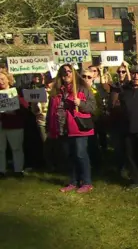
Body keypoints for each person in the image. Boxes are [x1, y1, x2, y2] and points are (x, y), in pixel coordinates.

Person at [47, 64, 96, 193]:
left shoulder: (83, 88)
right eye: (64, 72)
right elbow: (51, 111)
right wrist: (50, 126)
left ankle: (87, 182)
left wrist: (80, 103)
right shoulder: (57, 91)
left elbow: (92, 107)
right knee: (69, 156)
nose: (67, 74)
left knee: (80, 154)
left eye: (69, 71)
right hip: (63, 127)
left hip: (79, 127)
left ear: (74, 73)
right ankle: (73, 181)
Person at [0, 69, 28, 178]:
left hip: (14, 124)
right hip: (1, 124)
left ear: (8, 79)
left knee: (16, 148)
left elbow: (25, 107)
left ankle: (18, 170)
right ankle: (1, 170)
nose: (0, 81)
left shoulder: (16, 92)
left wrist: (15, 110)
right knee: (0, 149)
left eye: (2, 79)